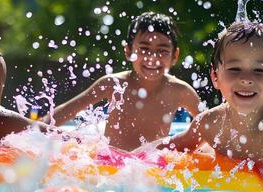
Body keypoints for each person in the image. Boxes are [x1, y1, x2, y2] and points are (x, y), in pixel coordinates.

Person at [160, 21, 263, 192]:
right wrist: (128, 159)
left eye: (259, 70)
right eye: (234, 69)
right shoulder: (209, 123)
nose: (246, 79)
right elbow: (171, 147)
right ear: (215, 77)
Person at [42, 12, 202, 151]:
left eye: (162, 51)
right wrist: (35, 130)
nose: (152, 58)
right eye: (144, 49)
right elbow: (64, 112)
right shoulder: (113, 84)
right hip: (111, 165)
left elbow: (210, 127)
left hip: (152, 166)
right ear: (128, 51)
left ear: (175, 56)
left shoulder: (180, 91)